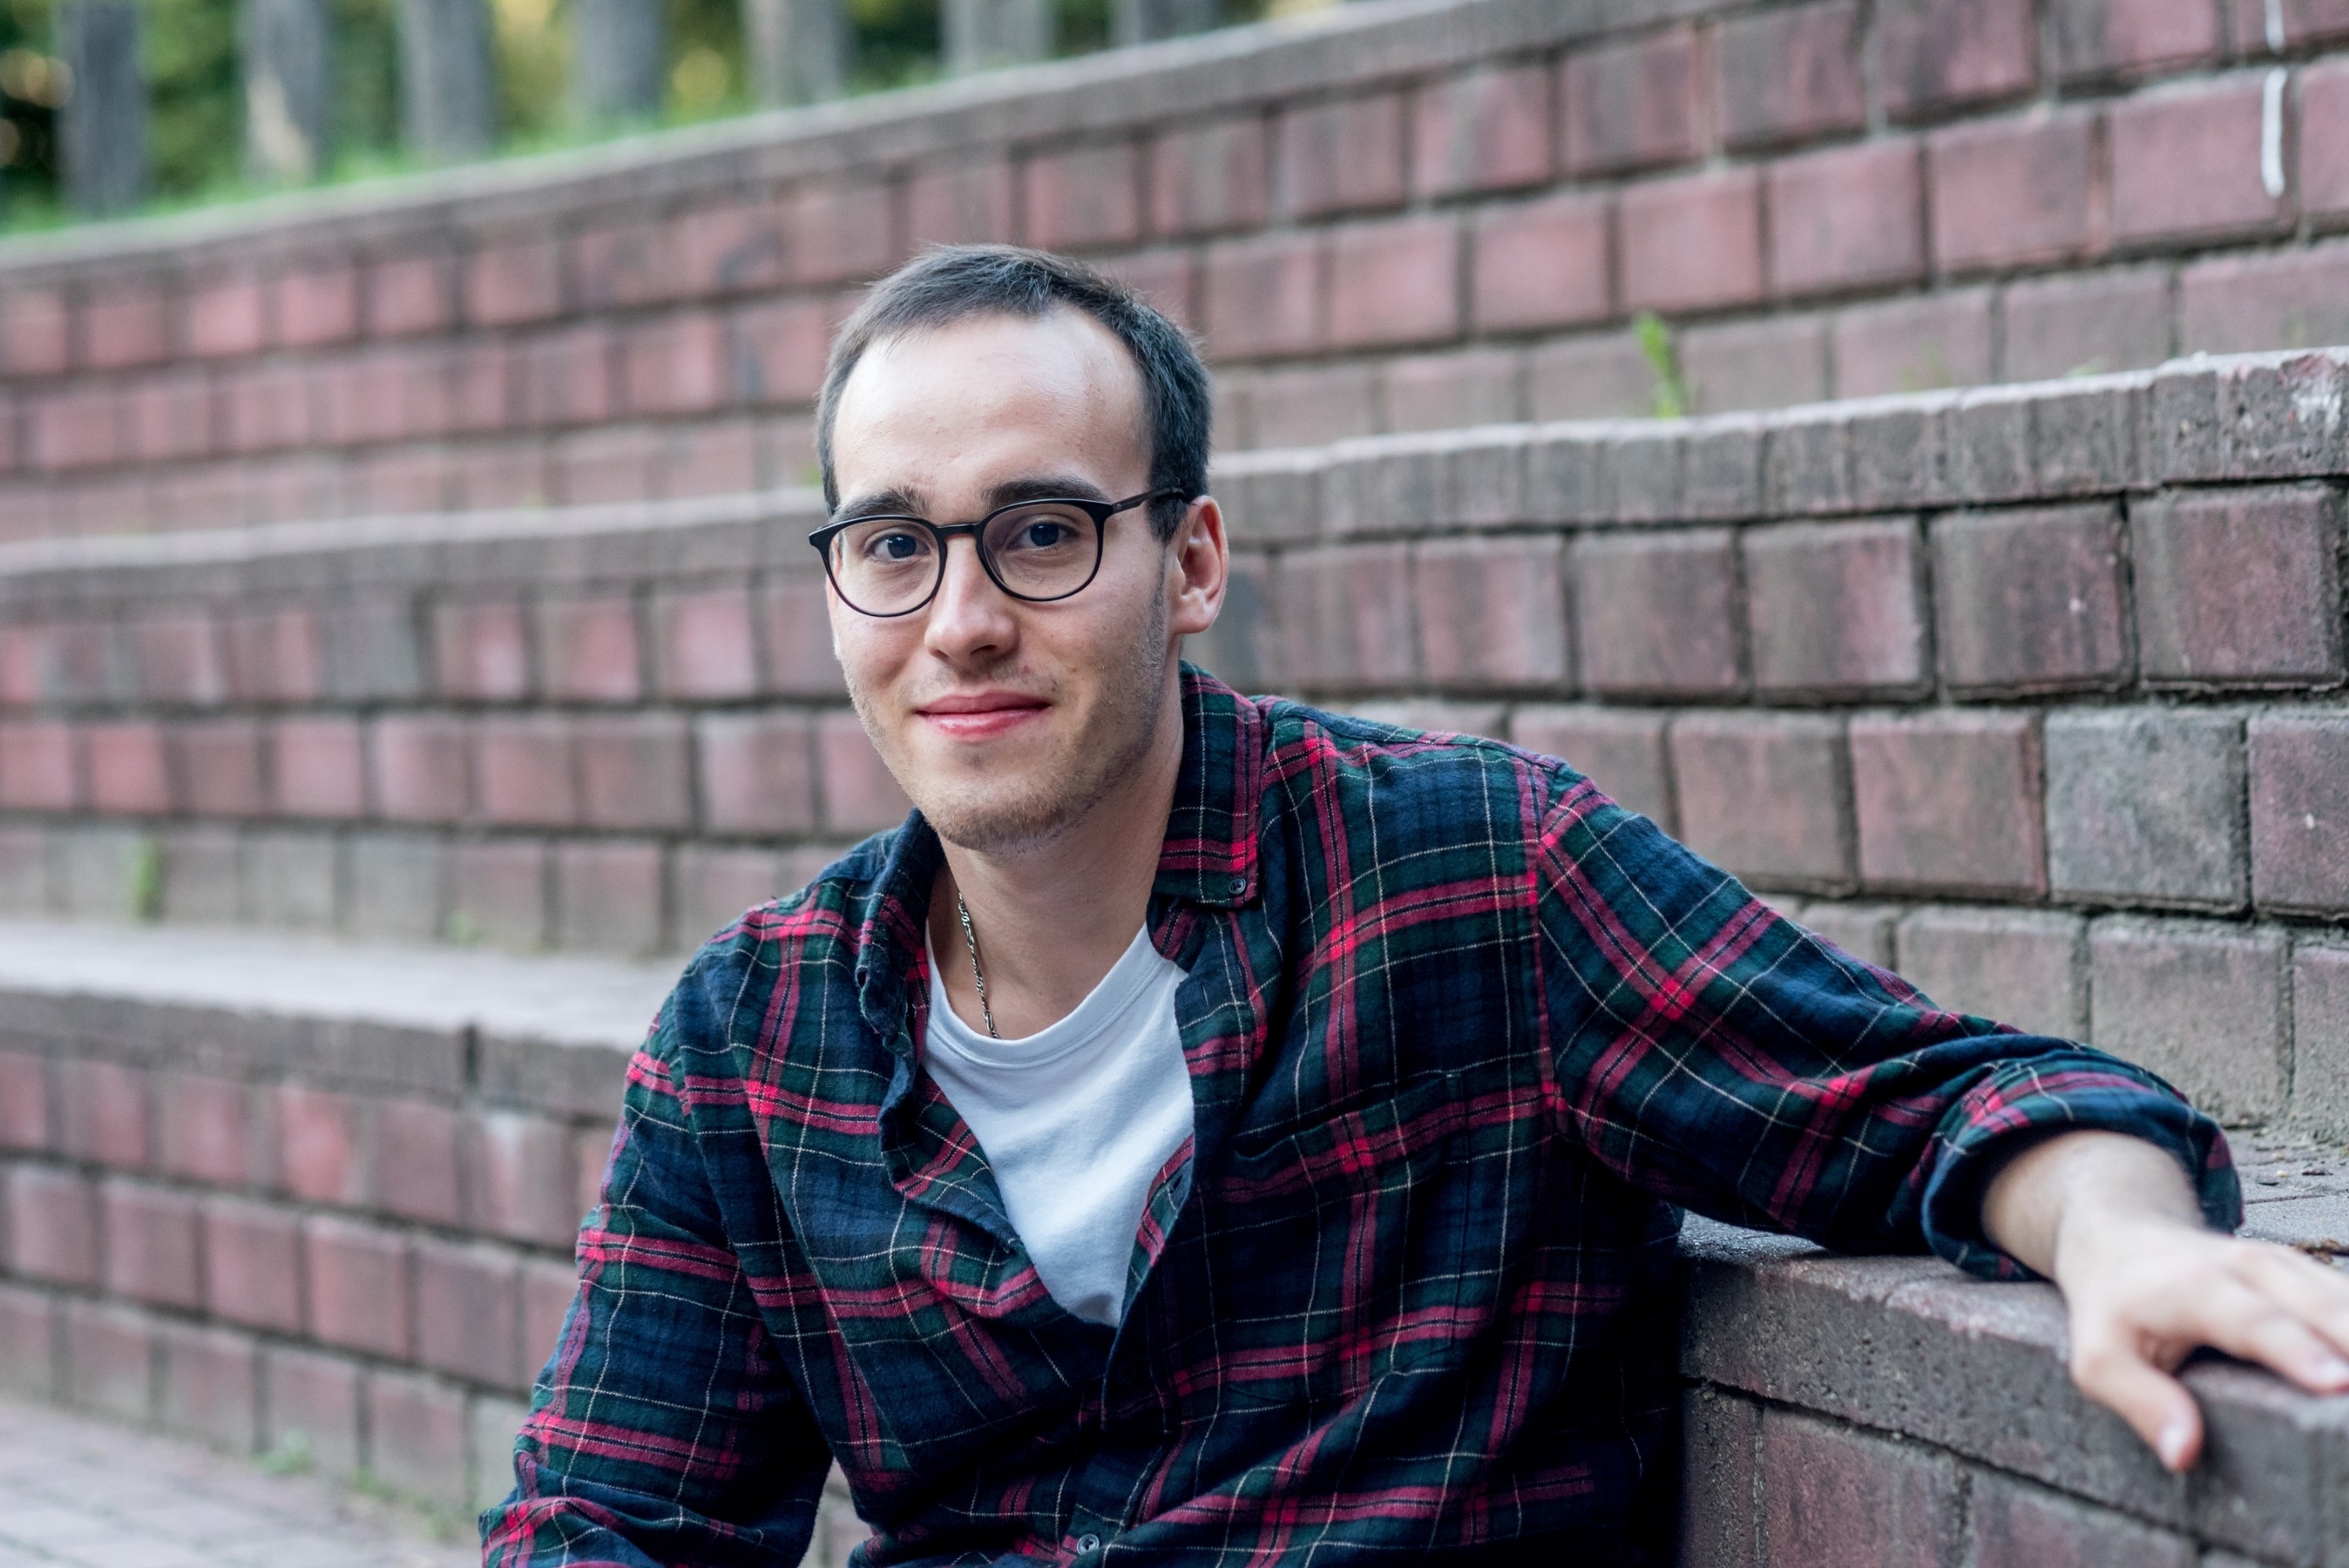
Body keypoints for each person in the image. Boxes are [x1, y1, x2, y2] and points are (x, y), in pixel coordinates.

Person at [482, 246, 2349, 1565]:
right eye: (894, 544)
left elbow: (1938, 1099)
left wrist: (2117, 1244)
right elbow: (606, 1519)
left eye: (1042, 533)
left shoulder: (1472, 882)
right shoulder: (754, 1040)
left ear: (1189, 562)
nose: (961, 620)